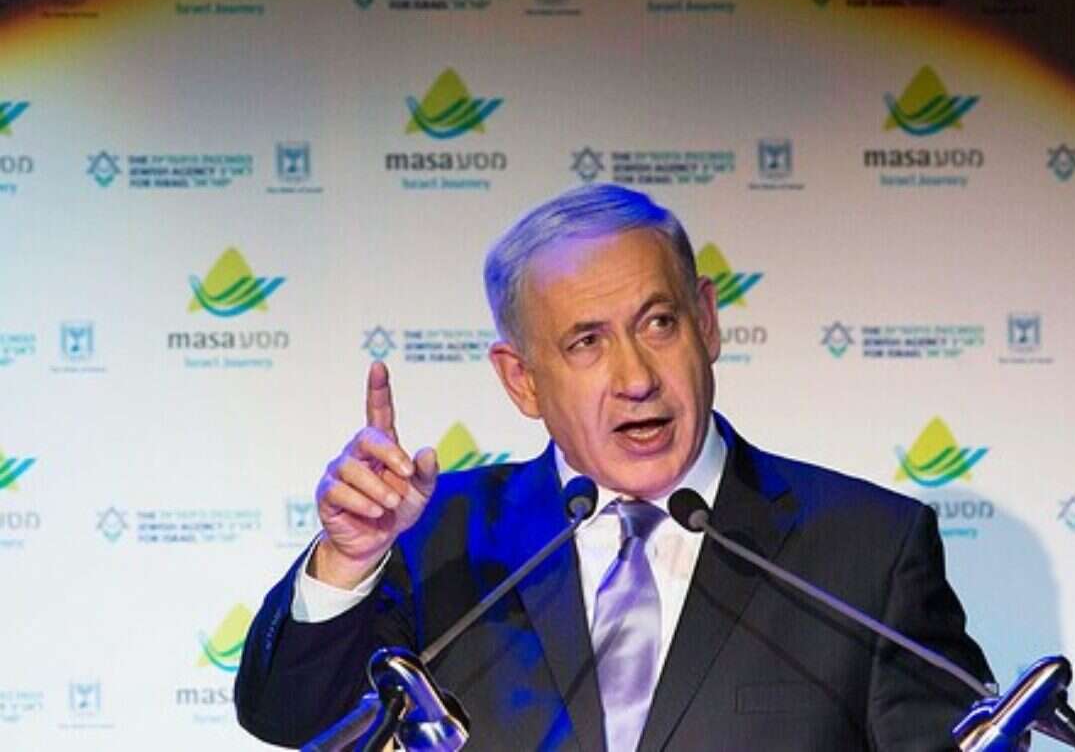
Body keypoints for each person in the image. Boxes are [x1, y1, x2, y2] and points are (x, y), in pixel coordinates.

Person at [235, 184, 992, 751]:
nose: (636, 377)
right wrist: (348, 559)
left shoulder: (868, 550)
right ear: (521, 380)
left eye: (658, 323)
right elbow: (291, 719)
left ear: (706, 321)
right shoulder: (439, 536)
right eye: (587, 343)